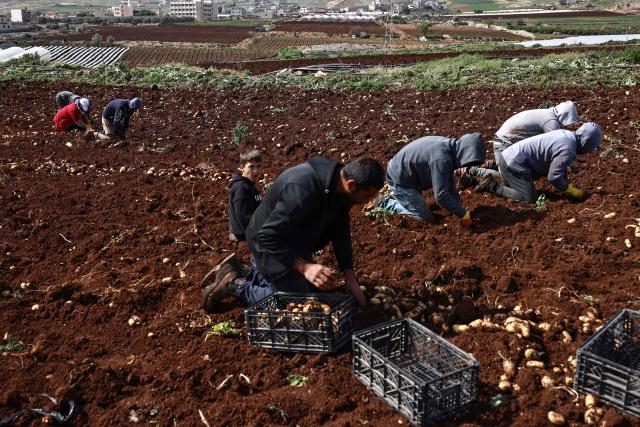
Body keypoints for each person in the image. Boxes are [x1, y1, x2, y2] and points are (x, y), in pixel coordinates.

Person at [201, 156, 385, 311]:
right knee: (294, 302)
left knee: (315, 291)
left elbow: (340, 231)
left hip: (293, 240)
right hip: (266, 241)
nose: (366, 202)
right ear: (351, 184)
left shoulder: (340, 188)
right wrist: (305, 267)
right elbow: (267, 236)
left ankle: (247, 273)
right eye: (367, 196)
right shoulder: (302, 189)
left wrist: (349, 276)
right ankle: (234, 283)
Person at [368, 133, 486, 226]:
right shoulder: (442, 159)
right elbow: (440, 195)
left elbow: (448, 181)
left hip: (409, 175)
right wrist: (462, 213)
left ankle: (400, 197)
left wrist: (457, 207)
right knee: (425, 219)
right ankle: (385, 202)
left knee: (427, 205)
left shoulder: (451, 147)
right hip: (401, 182)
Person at [475, 123, 601, 203]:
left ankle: (476, 180)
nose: (590, 151)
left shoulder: (567, 135)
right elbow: (553, 176)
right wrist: (569, 190)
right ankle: (492, 186)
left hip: (510, 157)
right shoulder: (568, 149)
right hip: (514, 164)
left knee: (514, 185)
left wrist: (565, 184)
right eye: (591, 147)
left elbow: (558, 167)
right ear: (587, 142)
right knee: (528, 198)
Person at [463, 101, 578, 183]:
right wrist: (571, 163)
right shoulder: (550, 121)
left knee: (523, 168)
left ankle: (494, 164)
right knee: (508, 178)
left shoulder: (548, 114)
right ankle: (472, 171)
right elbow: (557, 146)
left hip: (511, 142)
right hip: (504, 142)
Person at [229, 149, 263, 242]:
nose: (256, 170)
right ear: (242, 167)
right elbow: (243, 217)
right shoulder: (240, 187)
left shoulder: (250, 185)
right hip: (247, 235)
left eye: (258, 166)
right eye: (251, 167)